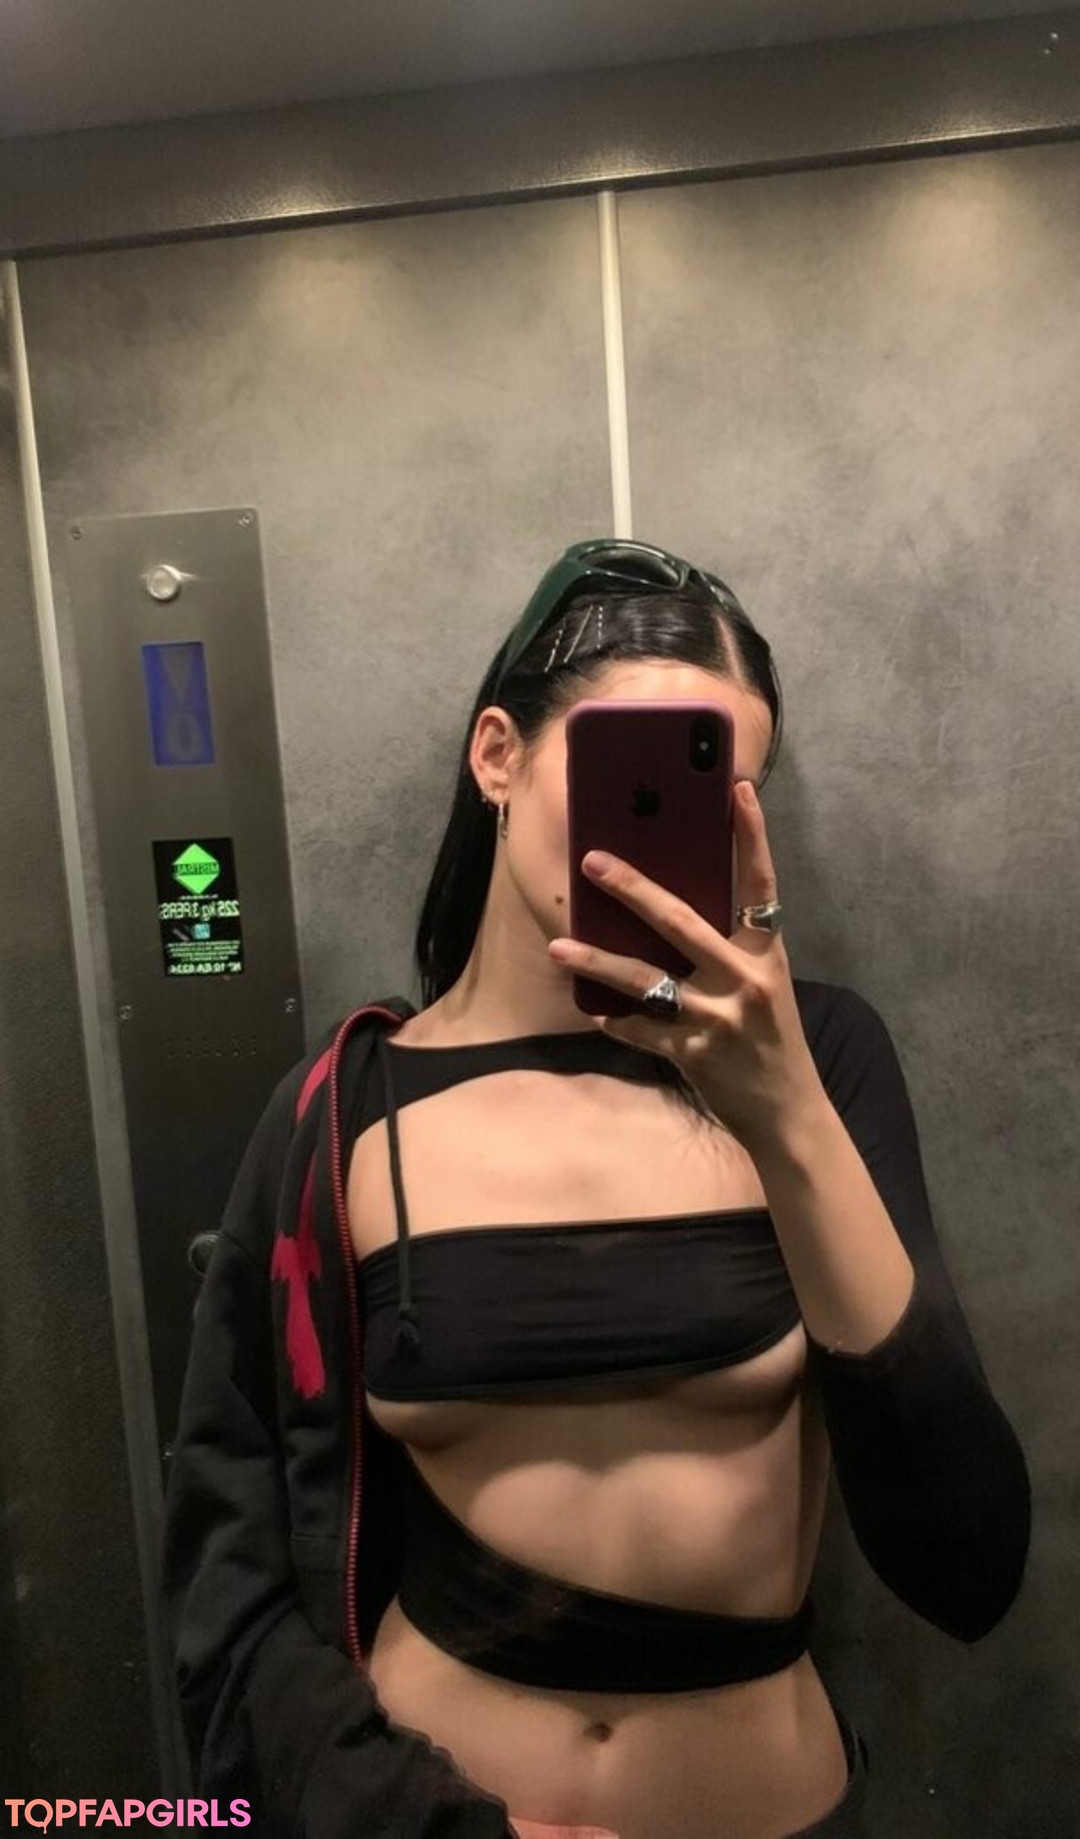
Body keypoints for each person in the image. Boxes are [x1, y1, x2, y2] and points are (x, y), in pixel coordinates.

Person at [162, 539, 1032, 1839]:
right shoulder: (344, 1110)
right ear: (497, 756)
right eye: (633, 773)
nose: (668, 828)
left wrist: (784, 1111)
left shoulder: (821, 1060)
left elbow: (967, 1565)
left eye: (718, 789)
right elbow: (226, 1572)